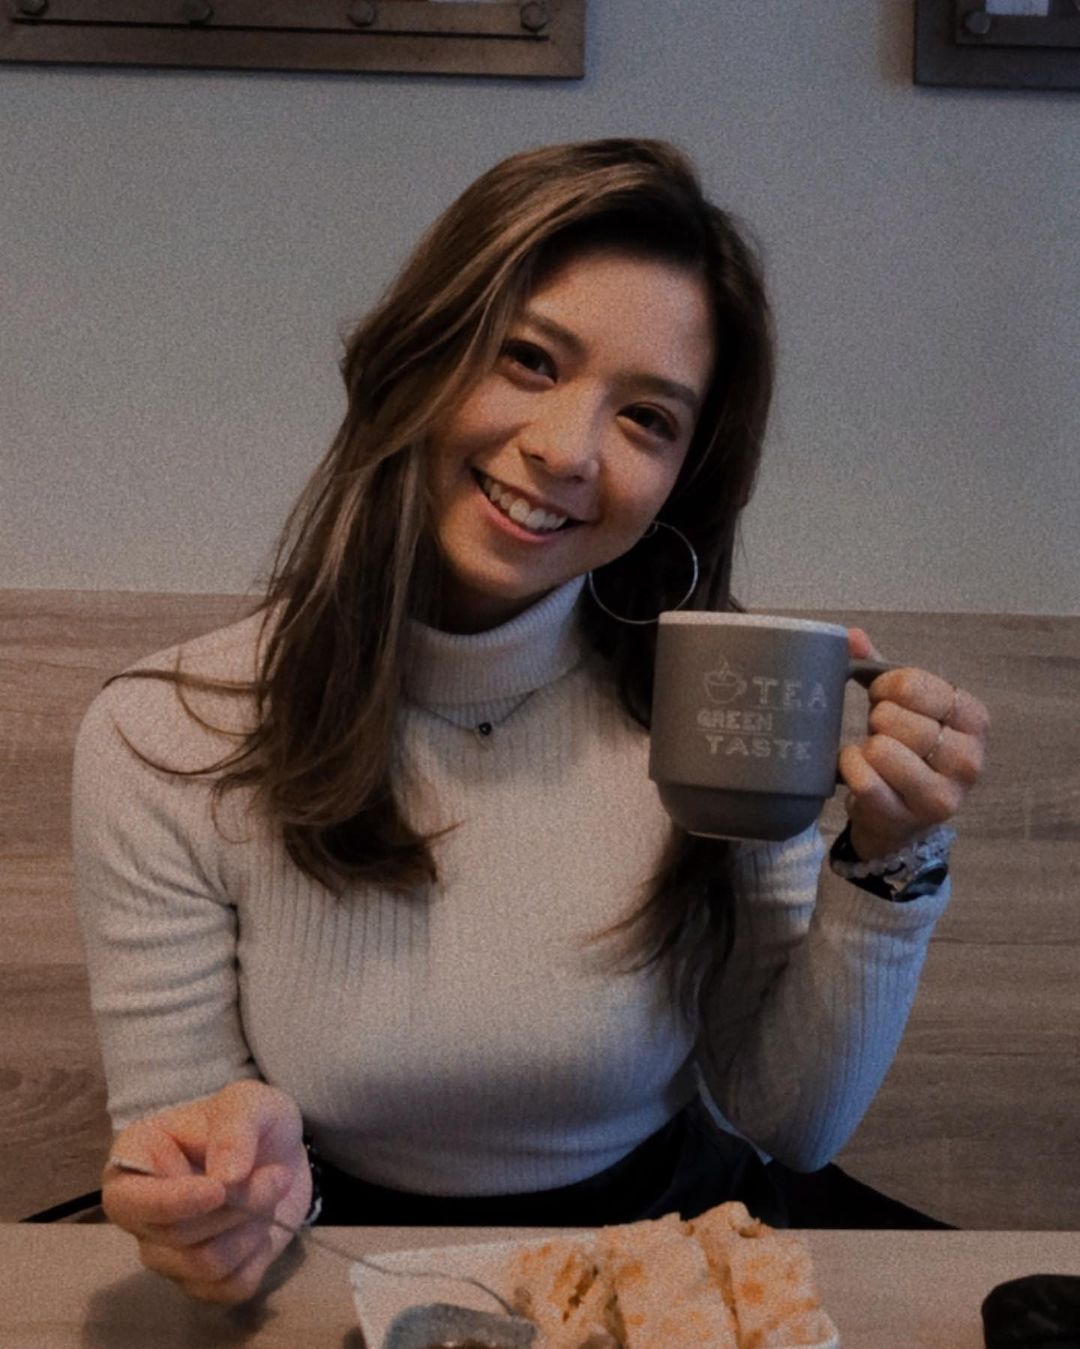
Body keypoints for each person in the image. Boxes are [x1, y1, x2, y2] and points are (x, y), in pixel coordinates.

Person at [71, 138, 989, 1306]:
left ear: (683, 478)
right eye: (528, 359)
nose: (566, 448)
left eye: (647, 417)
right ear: (418, 354)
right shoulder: (167, 738)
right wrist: (217, 1195)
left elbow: (792, 1123)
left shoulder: (715, 715)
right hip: (342, 1271)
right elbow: (182, 1149)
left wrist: (891, 862)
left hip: (659, 1270)